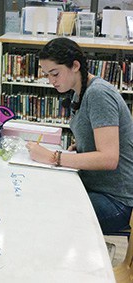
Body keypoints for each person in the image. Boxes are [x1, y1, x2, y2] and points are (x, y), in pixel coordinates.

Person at [26, 37, 133, 234]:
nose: (51, 81)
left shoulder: (98, 94)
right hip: (97, 187)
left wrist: (53, 157)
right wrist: (82, 146)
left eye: (55, 74)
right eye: (47, 75)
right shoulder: (80, 91)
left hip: (117, 201)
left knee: (45, 214)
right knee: (40, 195)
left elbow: (110, 159)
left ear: (75, 66)